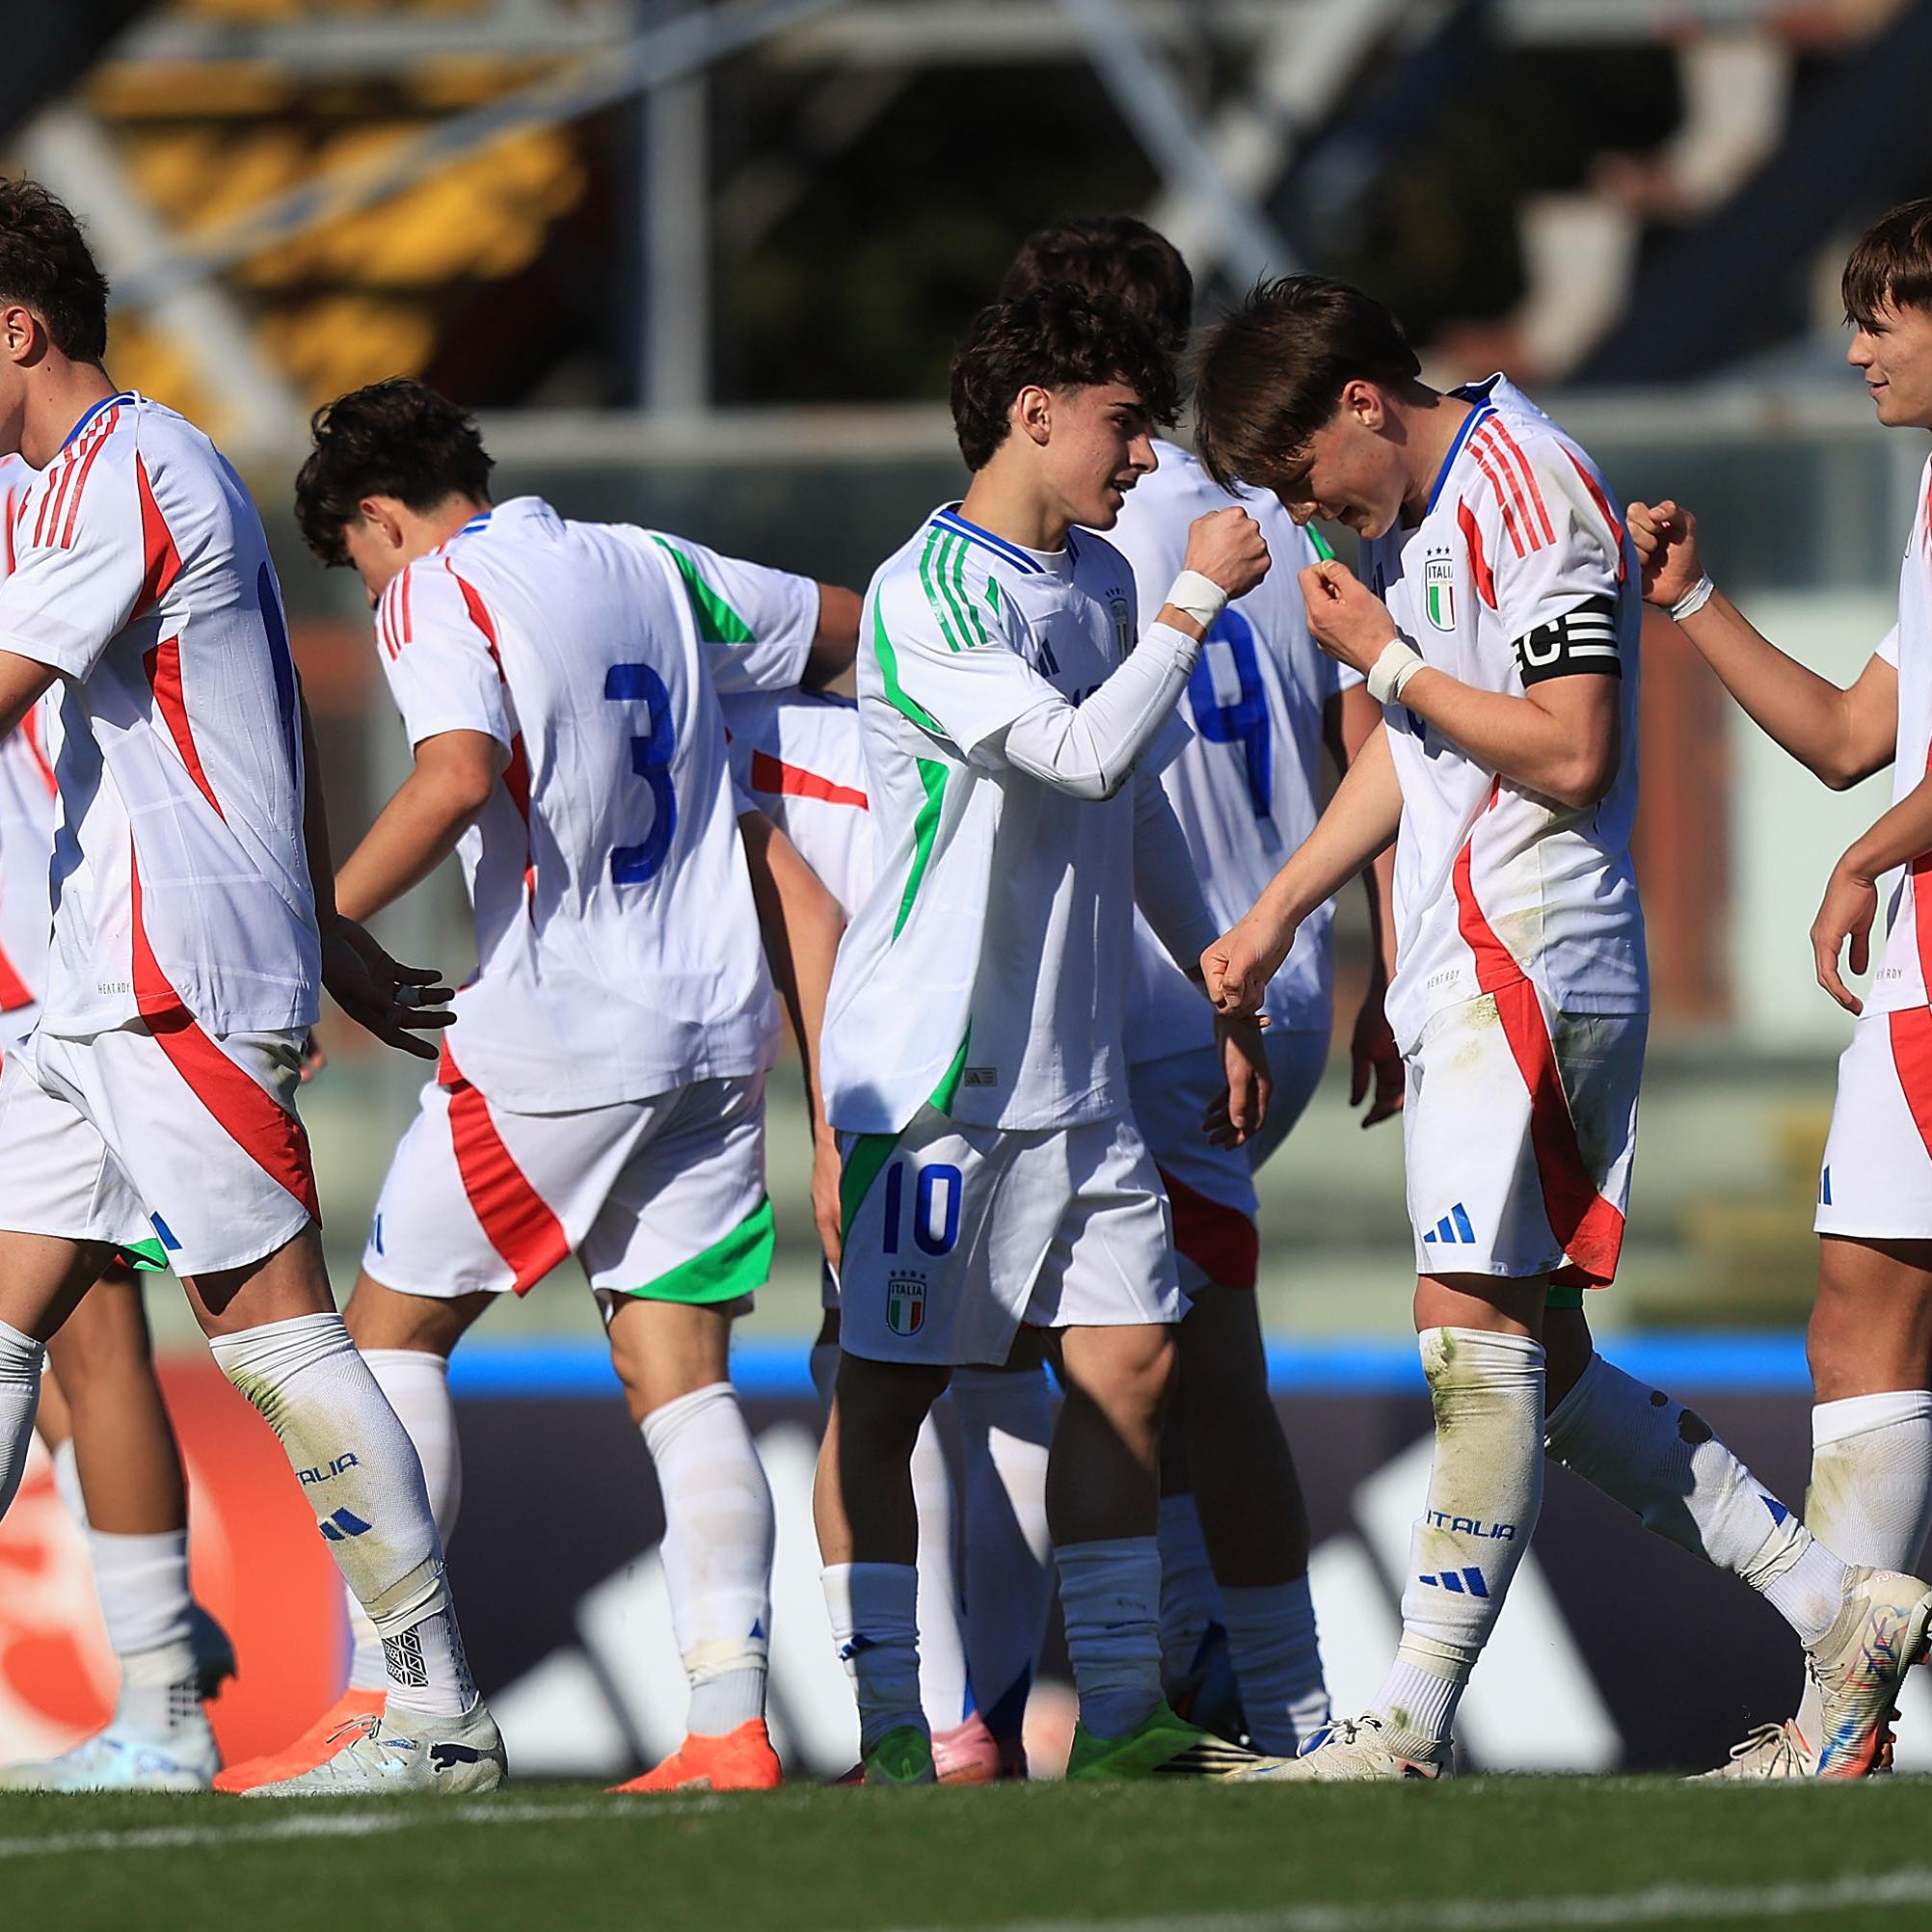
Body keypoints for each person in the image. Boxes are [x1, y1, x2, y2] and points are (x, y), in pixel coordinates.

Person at [1195, 272, 1932, 1781]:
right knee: (1553, 1369)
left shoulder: (1528, 490)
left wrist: (1385, 658)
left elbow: (1576, 751)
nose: (1303, 514)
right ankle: (1836, 1607)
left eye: (1298, 476)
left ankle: (1399, 1726)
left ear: (1358, 403)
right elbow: (1425, 751)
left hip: (1534, 955)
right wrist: (1285, 915)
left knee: (1468, 1338)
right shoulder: (1421, 508)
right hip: (1465, 957)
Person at [211, 377, 860, 1797]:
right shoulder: (649, 560)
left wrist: (310, 931)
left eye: (360, 557)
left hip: (559, 1032)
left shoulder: (435, 589)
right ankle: (729, 1729)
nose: (372, 585)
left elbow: (452, 776)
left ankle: (405, 1709)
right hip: (711, 1022)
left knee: (385, 1340)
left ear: (380, 520)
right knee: (680, 1377)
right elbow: (855, 635)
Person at [0, 177, 503, 1797]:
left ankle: (432, 1704)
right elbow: (262, 705)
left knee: (269, 1327)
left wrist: (300, 929)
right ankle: (328, 1703)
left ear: (15, 329)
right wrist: (335, 923)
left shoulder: (134, 465)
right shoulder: (71, 486)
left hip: (173, 968)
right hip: (99, 974)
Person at [815, 280, 1275, 1785]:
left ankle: (1126, 1704)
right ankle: (890, 1720)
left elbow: (1127, 801)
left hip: (1078, 1075)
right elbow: (1077, 756)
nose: (1144, 462)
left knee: (1133, 1364)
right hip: (943, 1070)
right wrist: (1201, 599)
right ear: (1035, 414)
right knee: (883, 1399)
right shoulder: (926, 591)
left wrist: (1213, 961)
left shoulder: (1099, 584)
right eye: (1126, 426)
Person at [1000, 215, 1404, 1756]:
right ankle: (1202, 1671)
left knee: (1171, 1364)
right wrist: (1370, 950)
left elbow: (1080, 778)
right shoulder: (1288, 503)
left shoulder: (1076, 536)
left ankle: (1258, 1694)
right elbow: (1366, 734)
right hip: (1280, 967)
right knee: (1149, 1347)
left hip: (1175, 997)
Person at [1626, 195, 1932, 1775]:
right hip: (1916, 975)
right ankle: (1838, 1718)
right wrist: (1685, 602)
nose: (1853, 343)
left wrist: (1857, 857)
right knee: (1853, 1317)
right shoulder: (1930, 497)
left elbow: (1883, 788)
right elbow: (1842, 733)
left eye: (1883, 312)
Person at [726, 684, 1057, 1781]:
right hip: (1018, 1017)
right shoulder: (802, 703)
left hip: (908, 1056)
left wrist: (830, 1128)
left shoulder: (695, 744)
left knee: (872, 1381)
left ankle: (921, 1727)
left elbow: (810, 919)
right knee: (1007, 1370)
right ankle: (993, 1726)